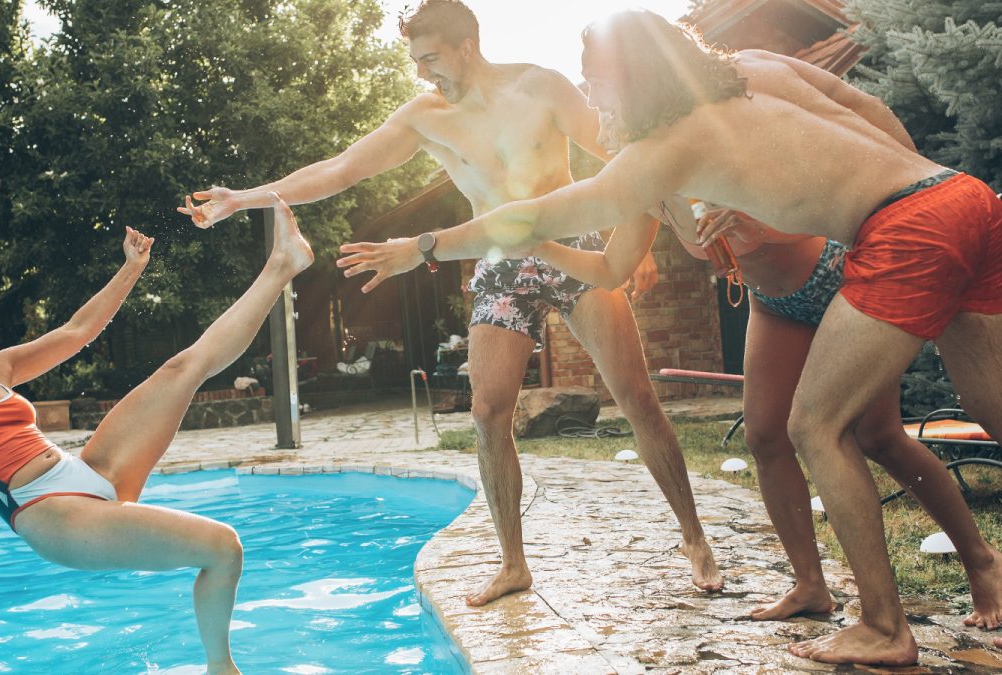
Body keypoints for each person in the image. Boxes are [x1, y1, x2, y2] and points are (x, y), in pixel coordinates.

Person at [334, 9, 1002, 667]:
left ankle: (885, 625)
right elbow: (860, 106)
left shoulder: (663, 151)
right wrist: (920, 186)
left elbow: (535, 212)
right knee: (989, 409)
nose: (589, 98)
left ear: (631, 80)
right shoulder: (746, 74)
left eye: (595, 82)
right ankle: (880, 580)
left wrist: (423, 244)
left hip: (898, 234)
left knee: (817, 425)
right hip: (959, 197)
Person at [178, 0, 722, 606]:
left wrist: (633, 240)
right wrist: (245, 198)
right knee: (488, 410)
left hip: (572, 243)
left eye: (430, 58)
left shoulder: (540, 87)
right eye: (415, 61)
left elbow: (622, 155)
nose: (422, 72)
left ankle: (695, 538)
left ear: (467, 46)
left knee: (637, 397)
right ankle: (513, 563)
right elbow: (341, 169)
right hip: (499, 262)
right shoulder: (424, 117)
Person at [531, 197, 1002, 625]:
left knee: (879, 438)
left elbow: (832, 208)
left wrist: (759, 220)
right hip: (773, 300)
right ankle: (810, 586)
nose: (599, 112)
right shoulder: (648, 185)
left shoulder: (720, 141)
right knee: (764, 437)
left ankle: (982, 564)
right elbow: (611, 267)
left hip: (836, 278)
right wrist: (538, 243)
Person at [0, 197, 313, 675]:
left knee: (182, 367)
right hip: (48, 514)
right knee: (223, 548)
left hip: (85, 469)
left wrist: (132, 267)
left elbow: (78, 330)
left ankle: (282, 264)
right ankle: (222, 669)